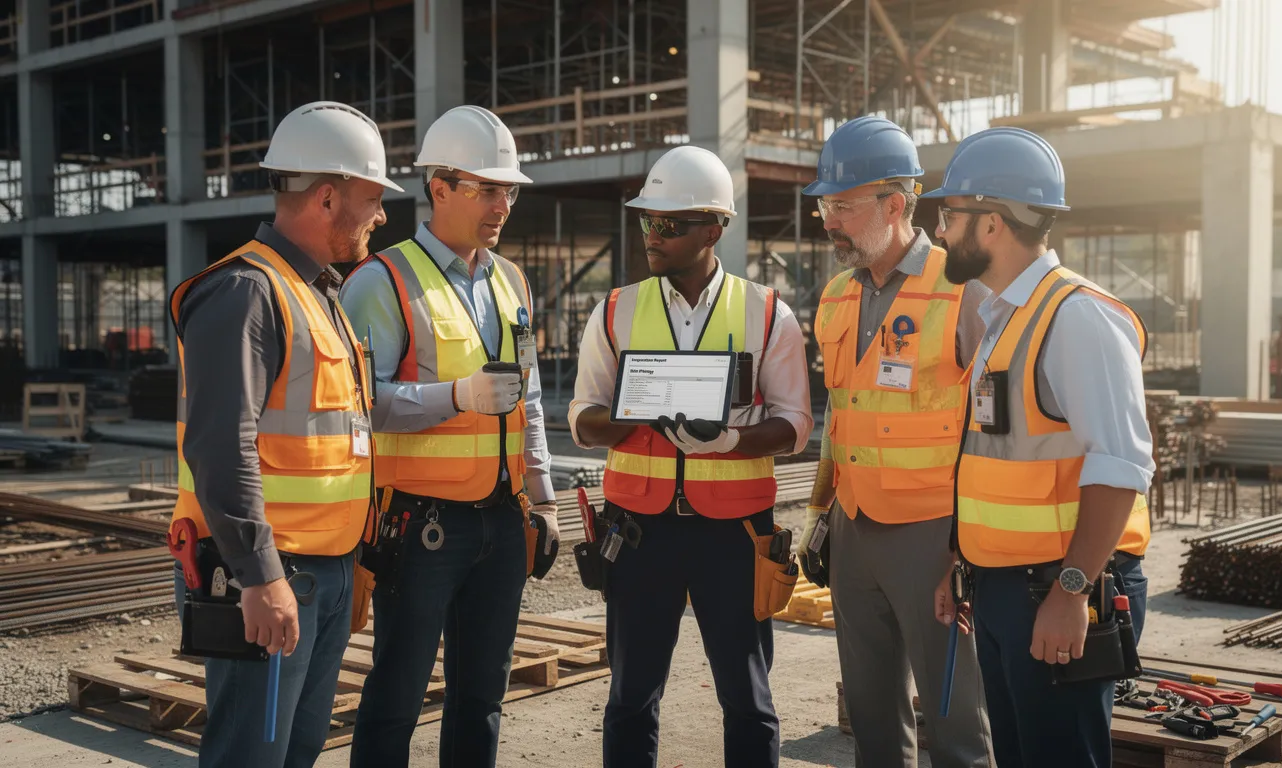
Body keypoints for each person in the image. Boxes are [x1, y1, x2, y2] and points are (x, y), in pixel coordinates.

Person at [169, 100, 400, 768]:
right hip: (274, 572)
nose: (382, 215)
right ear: (327, 197)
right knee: (252, 755)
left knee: (296, 752)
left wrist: (351, 559)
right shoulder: (246, 292)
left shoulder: (320, 294)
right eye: (373, 198)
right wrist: (260, 575)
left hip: (322, 570)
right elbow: (220, 447)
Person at [568, 145, 813, 768]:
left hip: (735, 535)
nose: (652, 235)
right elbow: (582, 420)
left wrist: (732, 440)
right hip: (638, 533)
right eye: (648, 221)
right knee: (630, 697)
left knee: (748, 699)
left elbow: (795, 425)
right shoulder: (615, 310)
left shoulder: (767, 314)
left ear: (714, 228)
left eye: (669, 224)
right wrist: (638, 413)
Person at [340, 104, 558, 768]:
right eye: (487, 188)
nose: (502, 205)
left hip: (502, 520)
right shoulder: (382, 281)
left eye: (509, 191)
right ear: (439, 188)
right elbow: (358, 408)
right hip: (419, 524)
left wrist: (544, 499)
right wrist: (456, 396)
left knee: (482, 696)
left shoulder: (511, 280)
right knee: (397, 696)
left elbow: (530, 398)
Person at [928, 126, 1153, 768]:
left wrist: (1072, 593)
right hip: (1006, 587)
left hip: (1059, 586)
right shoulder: (1005, 317)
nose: (940, 232)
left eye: (949, 216)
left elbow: (1120, 467)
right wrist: (962, 559)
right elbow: (995, 456)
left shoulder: (1077, 317)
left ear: (991, 223)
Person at [797, 116, 994, 768]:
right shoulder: (834, 298)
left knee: (954, 716)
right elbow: (840, 418)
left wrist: (967, 542)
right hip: (853, 528)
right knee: (872, 716)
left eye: (843, 207)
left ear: (894, 204)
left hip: (933, 536)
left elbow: (992, 427)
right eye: (825, 207)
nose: (830, 222)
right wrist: (819, 516)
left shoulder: (963, 289)